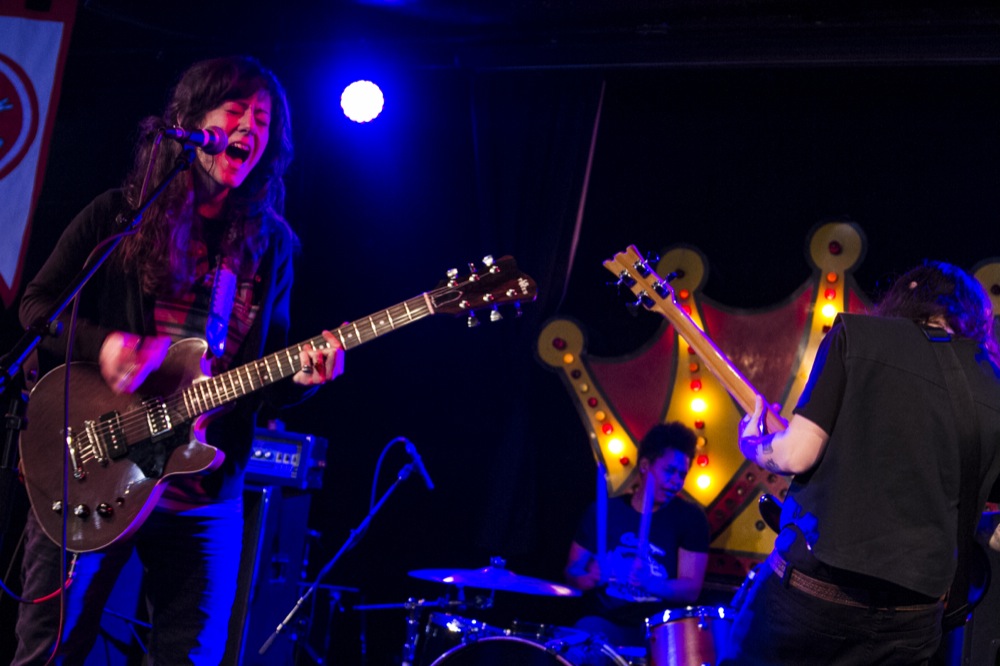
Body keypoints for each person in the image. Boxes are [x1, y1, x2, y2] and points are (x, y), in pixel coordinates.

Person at [13, 55, 344, 664]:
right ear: (192, 120)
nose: (249, 128)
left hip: (202, 493)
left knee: (192, 657)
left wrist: (302, 379)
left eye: (263, 120)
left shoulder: (271, 246)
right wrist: (104, 345)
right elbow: (35, 307)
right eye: (236, 111)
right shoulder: (119, 215)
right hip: (97, 466)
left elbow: (266, 376)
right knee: (49, 652)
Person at [724, 260, 1000, 665]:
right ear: (974, 318)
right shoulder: (992, 382)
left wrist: (755, 445)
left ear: (906, 298)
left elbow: (797, 454)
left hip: (813, 596)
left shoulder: (857, 335)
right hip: (912, 619)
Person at [564, 422, 710, 648]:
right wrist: (589, 577)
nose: (676, 482)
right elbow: (572, 572)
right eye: (669, 471)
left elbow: (691, 589)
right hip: (605, 623)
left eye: (682, 474)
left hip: (658, 630)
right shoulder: (604, 511)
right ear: (645, 465)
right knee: (585, 633)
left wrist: (651, 584)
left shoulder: (690, 518)